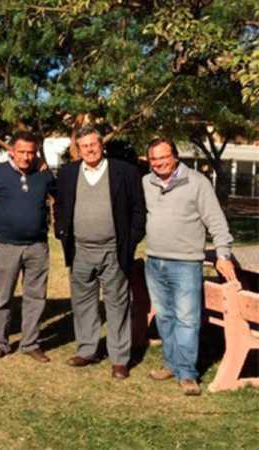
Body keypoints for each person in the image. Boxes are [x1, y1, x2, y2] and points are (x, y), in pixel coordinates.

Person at [142, 137, 237, 396]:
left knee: (187, 319)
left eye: (164, 157)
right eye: (154, 159)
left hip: (185, 263)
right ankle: (171, 364)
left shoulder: (197, 182)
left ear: (175, 157)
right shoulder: (146, 182)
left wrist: (223, 254)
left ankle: (187, 374)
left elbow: (216, 221)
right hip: (155, 261)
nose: (159, 163)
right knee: (164, 317)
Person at [54, 125, 146, 379]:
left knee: (117, 304)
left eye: (93, 144)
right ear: (78, 149)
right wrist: (60, 231)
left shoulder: (125, 172)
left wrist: (130, 241)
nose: (89, 149)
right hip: (80, 249)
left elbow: (138, 210)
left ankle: (119, 359)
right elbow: (60, 205)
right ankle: (87, 350)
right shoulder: (68, 172)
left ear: (101, 145)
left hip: (113, 250)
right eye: (84, 146)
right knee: (83, 303)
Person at [0, 131, 56, 363]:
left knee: (35, 296)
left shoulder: (44, 174)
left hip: (38, 246)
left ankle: (30, 343)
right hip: (7, 245)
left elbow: (58, 197)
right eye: (21, 152)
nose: (26, 157)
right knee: (4, 296)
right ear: (11, 152)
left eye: (31, 152)